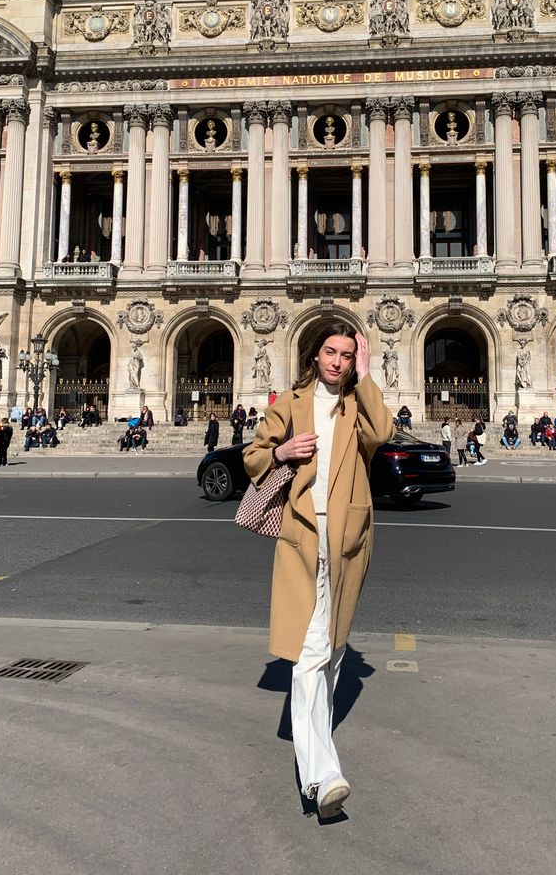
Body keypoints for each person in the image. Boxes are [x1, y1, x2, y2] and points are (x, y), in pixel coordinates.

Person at [243, 322, 392, 820]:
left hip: (348, 541)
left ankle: (317, 757)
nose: (337, 361)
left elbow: (383, 433)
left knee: (332, 651)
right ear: (315, 356)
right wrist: (281, 452)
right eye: (330, 352)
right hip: (303, 537)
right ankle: (322, 776)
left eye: (347, 355)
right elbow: (254, 455)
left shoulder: (355, 405)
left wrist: (368, 378)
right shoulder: (289, 402)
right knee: (309, 655)